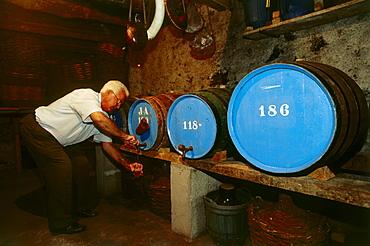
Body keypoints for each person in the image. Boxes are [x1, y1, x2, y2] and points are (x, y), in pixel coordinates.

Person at [19, 80, 143, 235]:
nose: (118, 107)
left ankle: (81, 208)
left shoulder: (105, 118)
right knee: (62, 169)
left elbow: (107, 146)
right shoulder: (86, 96)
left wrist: (127, 164)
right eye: (118, 102)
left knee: (81, 164)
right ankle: (60, 224)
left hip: (60, 140)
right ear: (109, 92)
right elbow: (97, 119)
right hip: (39, 129)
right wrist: (124, 136)